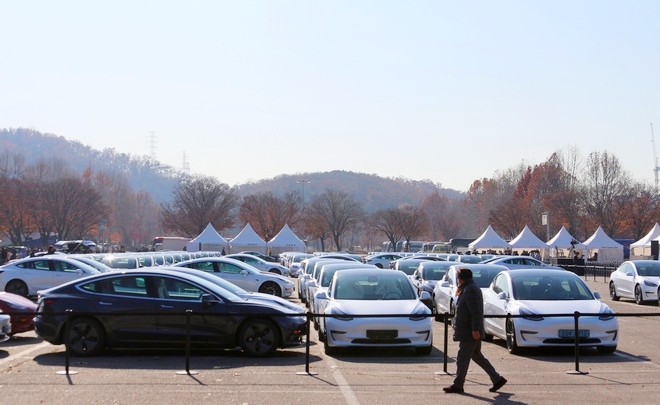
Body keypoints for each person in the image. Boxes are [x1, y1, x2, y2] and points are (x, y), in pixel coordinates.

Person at [443, 268, 507, 394]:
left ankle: (458, 384)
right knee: (476, 356)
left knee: (462, 358)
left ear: (460, 278)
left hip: (469, 332)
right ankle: (497, 379)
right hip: (469, 331)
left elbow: (476, 312)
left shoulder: (470, 289)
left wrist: (475, 329)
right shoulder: (468, 288)